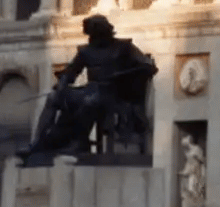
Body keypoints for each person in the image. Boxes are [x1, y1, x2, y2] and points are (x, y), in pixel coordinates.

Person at [21, 14, 157, 165]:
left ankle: (80, 141)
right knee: (54, 97)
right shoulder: (86, 51)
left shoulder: (124, 47)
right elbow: (71, 71)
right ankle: (38, 141)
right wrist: (62, 84)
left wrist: (138, 70)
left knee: (90, 101)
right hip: (91, 89)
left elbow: (148, 65)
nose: (94, 39)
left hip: (114, 93)